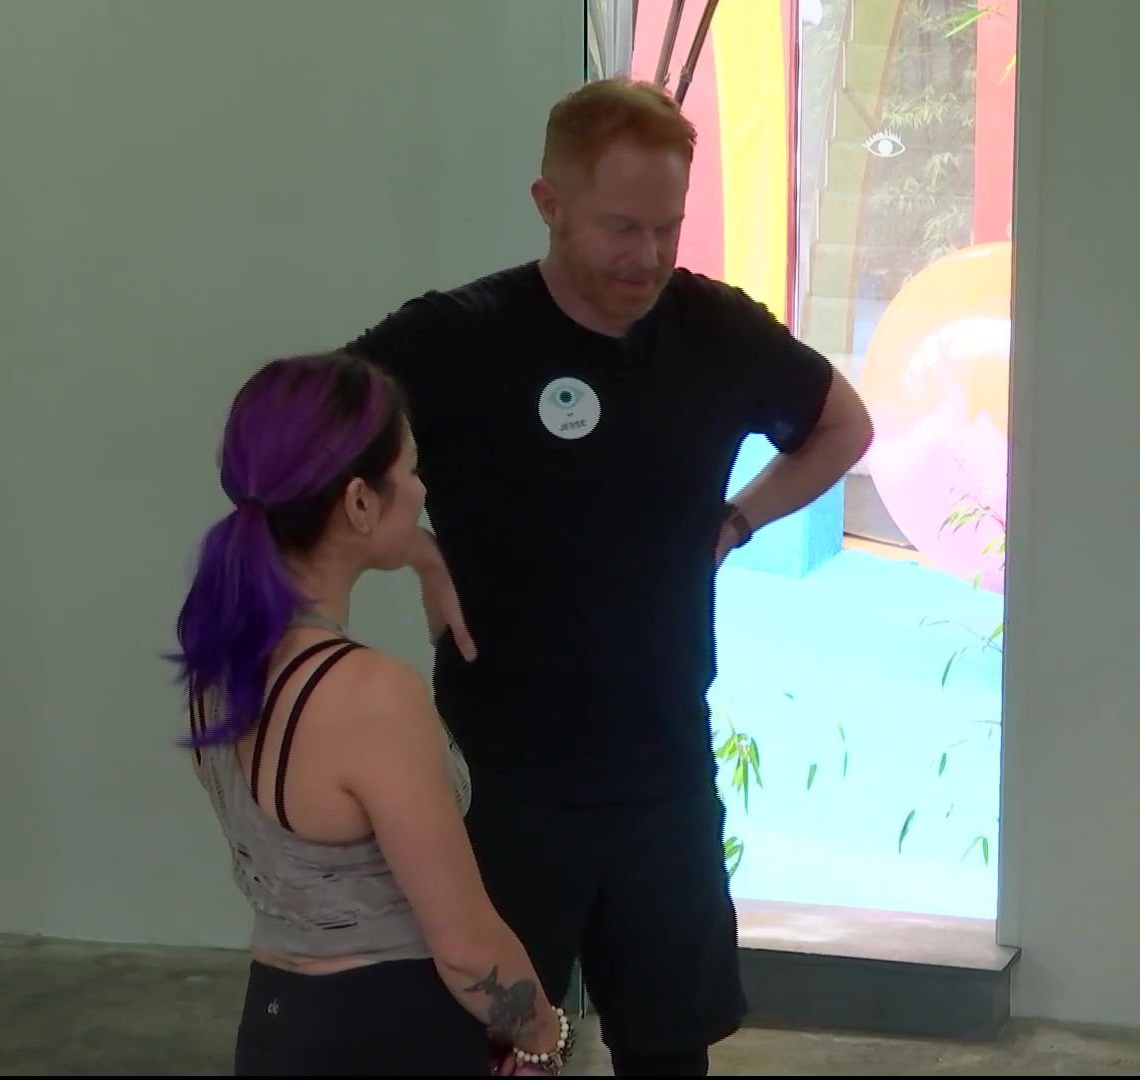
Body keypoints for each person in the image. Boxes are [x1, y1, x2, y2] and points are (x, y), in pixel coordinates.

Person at [343, 78, 875, 1077]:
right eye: (620, 228)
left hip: (661, 769)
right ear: (549, 205)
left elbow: (843, 424)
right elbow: (307, 443)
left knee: (669, 1050)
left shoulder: (714, 331)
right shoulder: (459, 337)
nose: (648, 257)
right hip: (501, 781)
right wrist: (415, 548)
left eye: (668, 227)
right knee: (493, 1050)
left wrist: (738, 520)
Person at [170, 353, 578, 1076]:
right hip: (387, 1030)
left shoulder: (222, 663)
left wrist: (425, 559)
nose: (421, 490)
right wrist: (544, 1038)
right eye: (411, 469)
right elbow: (466, 946)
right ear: (360, 502)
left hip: (276, 1024)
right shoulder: (368, 693)